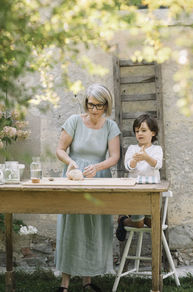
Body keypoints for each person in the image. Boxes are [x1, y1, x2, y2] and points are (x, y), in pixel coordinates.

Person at [55, 83, 120, 292]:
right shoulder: (74, 121)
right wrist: (71, 162)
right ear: (86, 103)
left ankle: (87, 282)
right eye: (91, 105)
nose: (94, 110)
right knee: (71, 227)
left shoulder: (110, 126)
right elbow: (60, 149)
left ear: (106, 106)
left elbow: (115, 156)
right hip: (75, 178)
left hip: (99, 177)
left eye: (99, 106)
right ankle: (64, 283)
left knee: (94, 228)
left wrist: (98, 166)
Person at [123, 114, 163, 228]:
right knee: (138, 223)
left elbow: (158, 164)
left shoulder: (157, 149)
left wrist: (146, 157)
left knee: (153, 223)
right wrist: (134, 160)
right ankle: (123, 221)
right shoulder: (132, 149)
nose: (139, 133)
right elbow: (128, 167)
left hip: (152, 191)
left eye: (143, 130)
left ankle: (147, 218)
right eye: (137, 131)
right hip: (136, 192)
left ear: (153, 133)